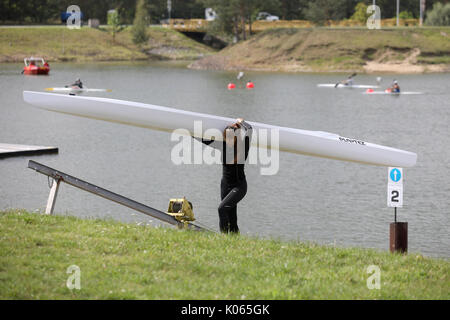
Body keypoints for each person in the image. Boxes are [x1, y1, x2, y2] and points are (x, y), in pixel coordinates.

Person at [195, 118, 252, 233]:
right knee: (231, 216)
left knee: (222, 209)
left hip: (239, 186)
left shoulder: (243, 147)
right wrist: (188, 131)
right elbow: (204, 140)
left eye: (231, 137)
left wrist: (241, 122)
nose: (228, 140)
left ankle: (223, 238)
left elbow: (249, 130)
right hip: (225, 185)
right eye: (226, 136)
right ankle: (234, 241)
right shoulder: (223, 145)